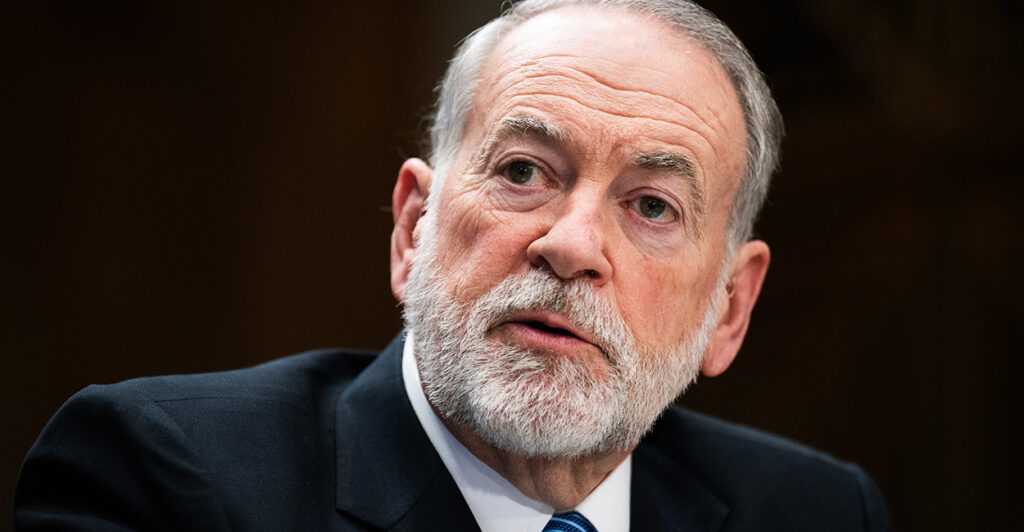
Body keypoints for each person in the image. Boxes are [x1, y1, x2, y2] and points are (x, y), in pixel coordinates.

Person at [14, 0, 892, 530]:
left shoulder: (816, 514)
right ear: (413, 229)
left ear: (729, 308)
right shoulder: (163, 480)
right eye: (524, 172)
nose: (572, 245)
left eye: (652, 206)